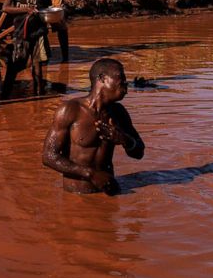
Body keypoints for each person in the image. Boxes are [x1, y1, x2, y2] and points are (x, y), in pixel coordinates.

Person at [42, 58, 145, 195]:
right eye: (120, 77)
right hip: (76, 198)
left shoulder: (119, 113)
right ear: (102, 78)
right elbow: (49, 156)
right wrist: (90, 174)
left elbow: (139, 153)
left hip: (110, 193)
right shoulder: (70, 110)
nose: (125, 84)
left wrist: (124, 139)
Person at [2, 0, 52, 96]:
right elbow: (5, 7)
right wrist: (25, 9)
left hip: (38, 33)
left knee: (38, 67)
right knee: (16, 64)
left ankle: (39, 97)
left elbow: (47, 9)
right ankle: (5, 95)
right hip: (21, 32)